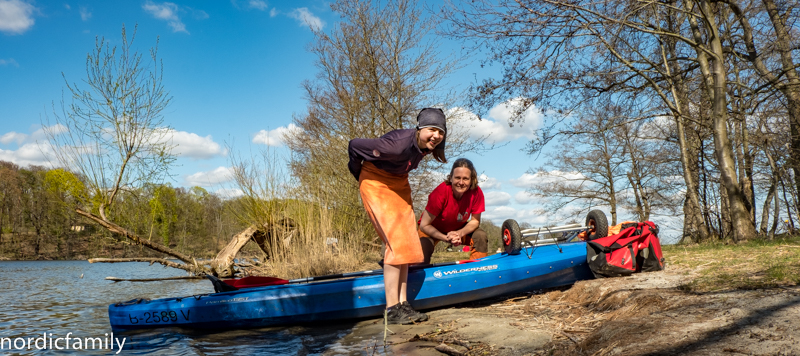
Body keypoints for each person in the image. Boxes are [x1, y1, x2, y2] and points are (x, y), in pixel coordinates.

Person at [348, 108, 447, 325]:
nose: (436, 136)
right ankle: (391, 309)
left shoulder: (426, 147)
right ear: (420, 128)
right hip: (376, 181)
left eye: (440, 131)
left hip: (399, 183)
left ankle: (403, 304)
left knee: (408, 244)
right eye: (432, 129)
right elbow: (354, 144)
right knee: (395, 242)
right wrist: (359, 174)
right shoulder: (396, 145)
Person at [418, 158, 487, 264]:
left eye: (465, 179)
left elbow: (475, 221)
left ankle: (478, 267)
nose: (461, 182)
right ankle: (419, 274)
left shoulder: (476, 193)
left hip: (457, 229)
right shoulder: (440, 192)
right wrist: (446, 238)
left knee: (480, 236)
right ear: (450, 178)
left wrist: (459, 233)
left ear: (471, 180)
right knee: (422, 247)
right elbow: (424, 225)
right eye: (457, 178)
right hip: (432, 228)